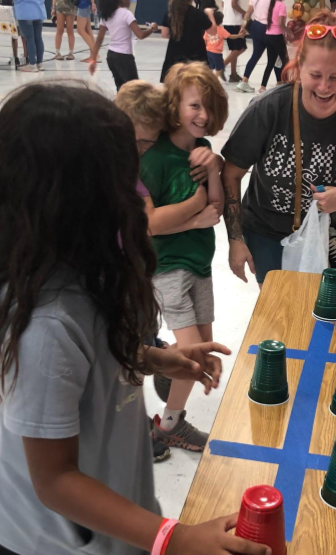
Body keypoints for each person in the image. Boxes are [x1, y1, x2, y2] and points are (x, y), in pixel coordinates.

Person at [0, 82, 271, 555]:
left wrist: (151, 357)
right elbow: (55, 480)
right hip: (48, 553)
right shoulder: (45, 324)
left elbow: (90, 352)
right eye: (122, 177)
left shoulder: (87, 266)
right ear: (71, 198)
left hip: (114, 528)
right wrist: (175, 539)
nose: (135, 190)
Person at [221, 14, 336, 287]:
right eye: (315, 75)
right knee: (281, 310)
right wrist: (235, 240)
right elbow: (231, 173)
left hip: (334, 238)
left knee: (332, 310)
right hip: (268, 236)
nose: (324, 87)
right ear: (300, 68)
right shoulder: (268, 109)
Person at [114, 79, 216, 460]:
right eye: (141, 141)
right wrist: (197, 206)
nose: (145, 148)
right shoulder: (125, 162)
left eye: (150, 141)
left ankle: (157, 358)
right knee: (123, 353)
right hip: (126, 273)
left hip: (143, 270)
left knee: (147, 340)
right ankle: (144, 423)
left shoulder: (146, 161)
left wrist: (214, 169)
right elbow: (150, 223)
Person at [143, 63, 228, 451]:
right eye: (195, 106)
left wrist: (213, 169)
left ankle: (170, 409)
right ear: (174, 106)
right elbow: (148, 226)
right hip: (168, 268)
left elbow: (216, 207)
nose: (203, 115)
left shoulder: (202, 149)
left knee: (201, 348)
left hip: (200, 263)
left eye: (209, 107)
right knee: (194, 356)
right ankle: (168, 423)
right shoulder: (155, 158)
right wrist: (195, 217)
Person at [88, 0, 158, 91]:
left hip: (111, 56)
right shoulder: (127, 14)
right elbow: (140, 35)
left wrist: (93, 59)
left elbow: (99, 40)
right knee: (134, 89)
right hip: (124, 57)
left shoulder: (107, 15)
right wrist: (152, 29)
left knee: (120, 88)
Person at [160, 0, 215, 82]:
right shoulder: (197, 13)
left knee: (174, 82)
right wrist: (210, 14)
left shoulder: (171, 13)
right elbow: (213, 31)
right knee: (197, 81)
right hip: (195, 53)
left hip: (174, 54)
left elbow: (164, 34)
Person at [233, 0, 273, 93]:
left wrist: (243, 27)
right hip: (268, 28)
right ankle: (278, 83)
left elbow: (248, 13)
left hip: (256, 26)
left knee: (255, 55)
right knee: (274, 56)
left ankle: (244, 81)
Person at [205, 11, 246, 81]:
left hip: (208, 51)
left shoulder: (208, 29)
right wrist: (239, 36)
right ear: (221, 21)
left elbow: (205, 39)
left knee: (211, 67)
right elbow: (230, 36)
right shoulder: (221, 30)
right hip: (216, 53)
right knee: (220, 68)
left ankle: (207, 78)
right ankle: (214, 80)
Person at [257, 0, 288, 94]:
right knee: (286, 62)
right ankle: (288, 84)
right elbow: (281, 24)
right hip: (277, 37)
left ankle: (262, 87)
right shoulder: (281, 6)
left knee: (270, 63)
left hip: (268, 35)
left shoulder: (272, 4)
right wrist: (289, 32)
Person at [14, 0, 48, 72]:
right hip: (39, 10)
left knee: (30, 38)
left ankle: (32, 64)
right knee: (38, 38)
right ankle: (40, 63)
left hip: (25, 11)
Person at [222, 0, 250, 83]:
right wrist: (244, 12)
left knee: (234, 49)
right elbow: (234, 4)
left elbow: (223, 4)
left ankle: (233, 74)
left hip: (227, 21)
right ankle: (222, 65)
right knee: (240, 48)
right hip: (234, 22)